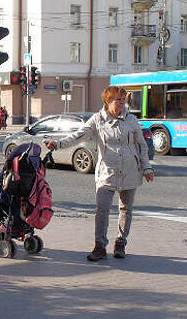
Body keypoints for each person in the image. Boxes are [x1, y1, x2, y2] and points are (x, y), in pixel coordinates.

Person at [44, 85, 154, 261]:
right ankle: (100, 246)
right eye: (118, 100)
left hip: (130, 170)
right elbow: (78, 136)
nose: (122, 103)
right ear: (108, 101)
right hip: (107, 171)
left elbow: (141, 146)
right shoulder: (97, 120)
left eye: (123, 100)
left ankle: (120, 243)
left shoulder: (131, 120)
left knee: (126, 209)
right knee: (102, 208)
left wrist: (147, 168)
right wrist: (57, 144)